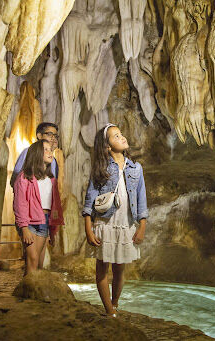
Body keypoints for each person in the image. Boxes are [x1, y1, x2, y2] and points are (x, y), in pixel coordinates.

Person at [82, 123, 148, 317]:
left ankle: (115, 303)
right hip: (105, 222)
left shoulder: (136, 168)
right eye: (116, 136)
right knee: (102, 268)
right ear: (107, 146)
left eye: (121, 134)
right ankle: (109, 309)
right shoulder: (101, 168)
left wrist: (142, 225)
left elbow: (142, 198)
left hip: (126, 223)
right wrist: (88, 228)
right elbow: (90, 198)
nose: (122, 137)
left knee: (120, 268)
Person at [13, 139, 64, 275]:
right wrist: (24, 227)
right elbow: (20, 204)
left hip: (44, 221)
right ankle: (27, 295)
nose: (50, 152)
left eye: (50, 150)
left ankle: (30, 293)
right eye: (46, 149)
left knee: (39, 264)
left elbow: (54, 206)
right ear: (36, 154)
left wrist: (53, 230)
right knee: (32, 259)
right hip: (29, 222)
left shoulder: (51, 180)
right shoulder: (25, 178)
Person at [11, 122, 60, 187]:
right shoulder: (28, 152)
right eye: (49, 134)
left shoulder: (53, 160)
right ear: (39, 136)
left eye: (55, 136)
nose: (53, 138)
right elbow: (15, 178)